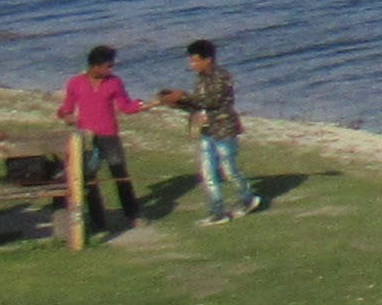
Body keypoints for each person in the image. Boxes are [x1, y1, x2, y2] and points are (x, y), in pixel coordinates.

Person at [159, 39, 252, 224]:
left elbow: (210, 101)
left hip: (224, 129)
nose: (192, 65)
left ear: (207, 59)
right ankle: (218, 211)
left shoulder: (221, 76)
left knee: (229, 169)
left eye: (195, 61)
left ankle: (247, 198)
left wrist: (182, 96)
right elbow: (198, 105)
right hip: (207, 130)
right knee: (208, 172)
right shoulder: (201, 78)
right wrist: (175, 102)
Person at [59, 46, 146, 234]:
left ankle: (132, 214)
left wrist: (143, 105)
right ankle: (98, 220)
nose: (111, 70)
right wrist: (66, 116)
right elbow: (66, 108)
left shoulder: (115, 82)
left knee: (120, 174)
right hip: (87, 137)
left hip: (109, 134)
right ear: (96, 66)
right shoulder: (75, 83)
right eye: (108, 66)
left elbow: (125, 106)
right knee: (89, 178)